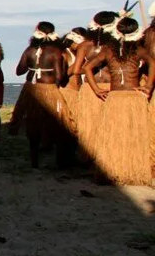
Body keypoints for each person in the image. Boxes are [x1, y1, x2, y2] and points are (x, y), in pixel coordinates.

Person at [83, 17, 155, 185]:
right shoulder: (138, 50)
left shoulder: (108, 50)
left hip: (115, 99)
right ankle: (128, 170)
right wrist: (149, 87)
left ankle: (114, 171)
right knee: (133, 136)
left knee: (113, 136)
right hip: (133, 98)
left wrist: (96, 89)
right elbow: (153, 63)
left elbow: (87, 67)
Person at [14, 22, 73, 168]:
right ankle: (59, 161)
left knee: (33, 124)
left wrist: (33, 66)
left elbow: (19, 71)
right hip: (50, 89)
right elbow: (60, 76)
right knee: (56, 123)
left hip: (31, 90)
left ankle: (34, 161)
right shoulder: (55, 51)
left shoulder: (29, 50)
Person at [73, 11, 119, 162]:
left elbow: (76, 70)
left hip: (90, 88)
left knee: (91, 127)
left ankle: (91, 160)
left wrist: (91, 69)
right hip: (110, 87)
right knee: (109, 126)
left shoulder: (85, 45)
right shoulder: (113, 46)